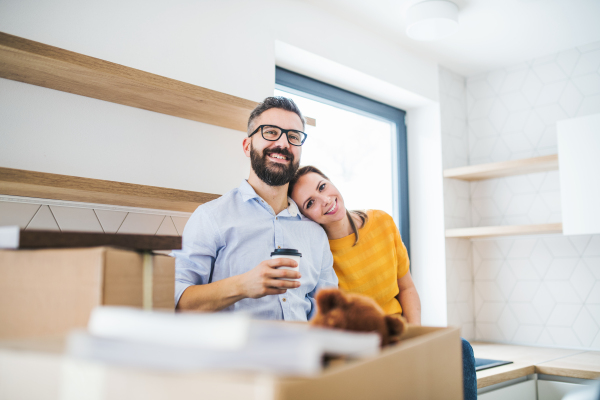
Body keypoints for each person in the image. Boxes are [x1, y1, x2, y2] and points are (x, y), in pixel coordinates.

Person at [288, 165, 478, 400]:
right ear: (305, 216)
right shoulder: (318, 255)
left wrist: (413, 336)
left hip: (401, 333)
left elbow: (406, 288)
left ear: (331, 181)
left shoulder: (382, 222)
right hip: (364, 350)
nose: (325, 200)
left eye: (323, 186)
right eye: (310, 203)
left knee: (460, 349)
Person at [173, 97, 338, 320]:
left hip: (302, 353)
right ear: (247, 145)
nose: (283, 144)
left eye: (293, 136)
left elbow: (329, 313)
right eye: (271, 132)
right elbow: (176, 302)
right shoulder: (210, 218)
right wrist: (242, 285)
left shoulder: (316, 235)